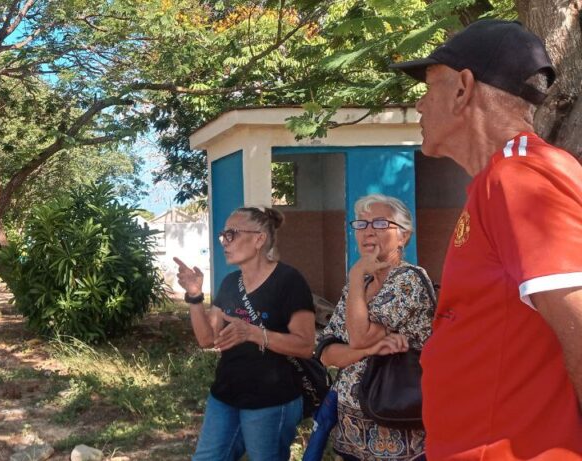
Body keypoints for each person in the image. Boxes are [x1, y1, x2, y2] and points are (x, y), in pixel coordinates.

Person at [391, 19, 582, 460]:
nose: (419, 104)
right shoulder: (498, 180)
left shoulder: (522, 175)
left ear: (463, 88)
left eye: (428, 85)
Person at [175, 206, 316, 461]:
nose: (224, 242)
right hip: (226, 395)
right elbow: (207, 339)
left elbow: (305, 346)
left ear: (259, 239)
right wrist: (195, 296)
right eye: (223, 235)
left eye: (232, 234)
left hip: (271, 401)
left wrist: (253, 333)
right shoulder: (230, 282)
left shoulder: (289, 281)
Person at [317, 194, 433, 461]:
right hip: (352, 431)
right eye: (361, 224)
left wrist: (356, 275)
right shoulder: (360, 285)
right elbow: (325, 351)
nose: (368, 231)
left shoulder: (409, 279)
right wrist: (367, 350)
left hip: (397, 428)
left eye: (381, 224)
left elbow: (358, 337)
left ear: (403, 236)